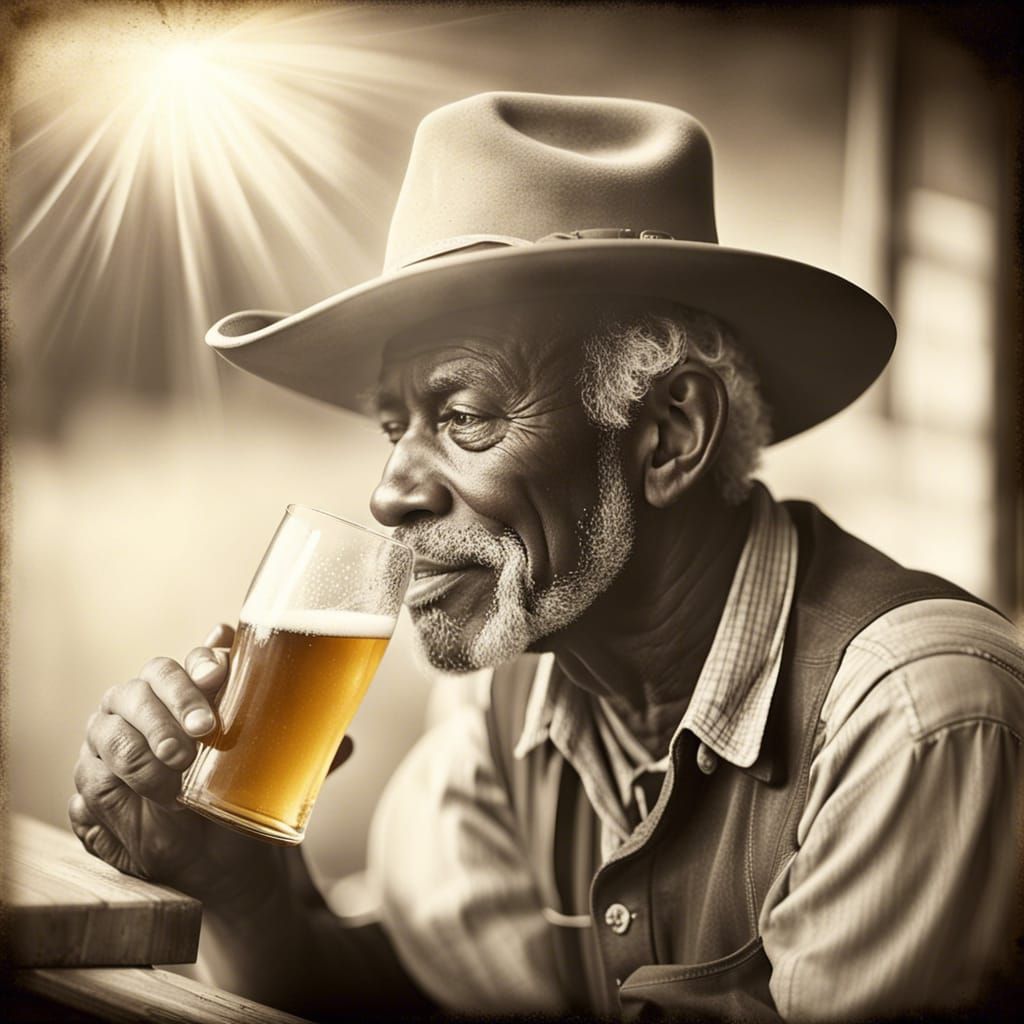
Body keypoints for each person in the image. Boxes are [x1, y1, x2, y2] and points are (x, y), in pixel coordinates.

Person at [70, 93, 1024, 1022]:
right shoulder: (510, 701)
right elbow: (401, 982)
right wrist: (245, 888)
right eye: (395, 427)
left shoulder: (913, 721)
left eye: (464, 415)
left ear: (668, 436)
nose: (390, 491)